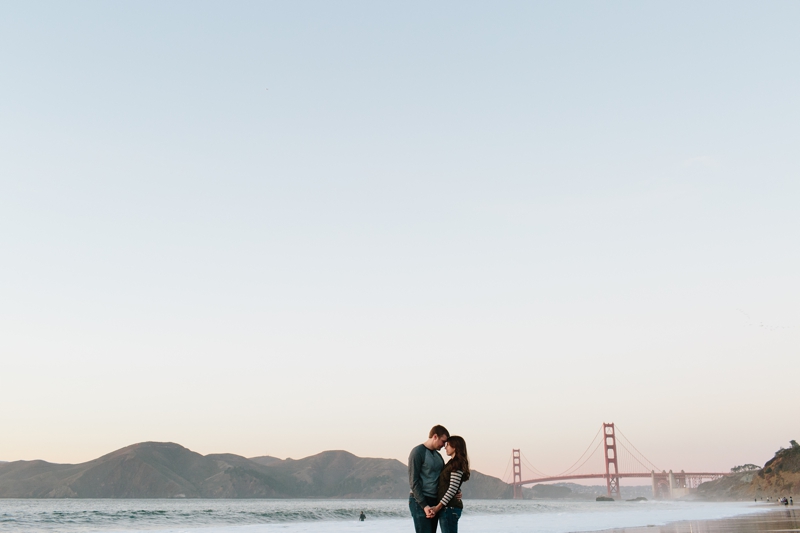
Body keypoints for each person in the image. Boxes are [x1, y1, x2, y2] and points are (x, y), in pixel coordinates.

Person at [409, 425, 450, 533]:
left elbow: (443, 478)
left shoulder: (438, 456)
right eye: (443, 441)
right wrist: (424, 505)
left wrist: (456, 491)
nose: (444, 445)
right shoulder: (418, 452)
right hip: (419, 501)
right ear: (435, 436)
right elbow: (413, 481)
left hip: (435, 501)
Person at [429, 436, 470, 533]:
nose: (445, 447)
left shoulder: (457, 464)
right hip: (449, 508)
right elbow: (453, 486)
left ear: (455, 447)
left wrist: (437, 508)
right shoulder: (452, 463)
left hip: (449, 509)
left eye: (447, 445)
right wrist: (458, 491)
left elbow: (452, 489)